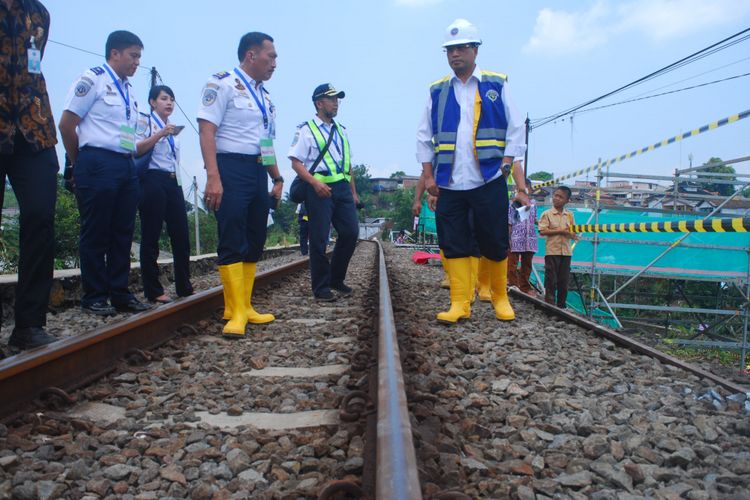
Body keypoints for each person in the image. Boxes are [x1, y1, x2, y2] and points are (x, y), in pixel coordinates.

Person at [417, 18, 529, 323]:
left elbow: (516, 128)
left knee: (493, 240)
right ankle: (459, 303)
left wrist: (507, 162)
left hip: (489, 178)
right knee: (453, 241)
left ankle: (500, 298)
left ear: (475, 50)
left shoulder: (496, 83)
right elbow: (423, 136)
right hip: (450, 182)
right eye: (450, 50)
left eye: (462, 48)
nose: (455, 54)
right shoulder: (437, 91)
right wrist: (428, 175)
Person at [59, 30, 151, 315]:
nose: (137, 63)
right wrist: (78, 162)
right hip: (96, 161)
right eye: (133, 56)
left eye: (139, 57)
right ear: (115, 53)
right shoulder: (93, 79)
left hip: (125, 163)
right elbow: (66, 124)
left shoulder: (127, 90)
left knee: (122, 232)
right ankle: (95, 296)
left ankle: (120, 293)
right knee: (96, 231)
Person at [197, 32, 283, 337]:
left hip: (257, 170)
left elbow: (266, 142)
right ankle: (232, 311)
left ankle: (244, 306)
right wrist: (213, 175)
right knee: (232, 236)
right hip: (229, 168)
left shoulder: (265, 97)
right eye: (270, 56)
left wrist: (277, 177)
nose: (275, 62)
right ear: (251, 55)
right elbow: (207, 130)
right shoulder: (221, 83)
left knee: (254, 238)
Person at [0, 0, 59, 351]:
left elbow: (30, 69)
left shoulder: (39, 14)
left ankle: (29, 325)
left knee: (40, 217)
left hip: (33, 130)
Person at [288, 83, 360, 302]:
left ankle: (335, 279)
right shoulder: (306, 129)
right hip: (318, 189)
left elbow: (348, 165)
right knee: (319, 240)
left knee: (350, 233)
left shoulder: (342, 130)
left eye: (337, 99)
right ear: (319, 103)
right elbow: (296, 162)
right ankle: (320, 287)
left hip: (342, 189)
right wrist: (314, 183)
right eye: (331, 99)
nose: (336, 103)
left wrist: (353, 192)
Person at [135, 85, 193, 304]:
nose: (169, 103)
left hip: (173, 181)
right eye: (164, 98)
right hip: (152, 180)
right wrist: (160, 133)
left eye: (172, 99)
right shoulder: (145, 122)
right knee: (151, 235)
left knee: (181, 235)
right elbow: (136, 148)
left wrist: (168, 132)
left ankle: (184, 285)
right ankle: (153, 289)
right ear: (152, 102)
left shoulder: (173, 130)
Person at [538, 186, 578, 308]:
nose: (556, 198)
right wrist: (561, 231)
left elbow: (573, 232)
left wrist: (572, 235)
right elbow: (542, 231)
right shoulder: (547, 214)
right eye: (555, 195)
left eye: (561, 197)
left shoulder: (570, 215)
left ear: (567, 200)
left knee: (564, 281)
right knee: (551, 279)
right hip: (552, 251)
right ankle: (550, 304)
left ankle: (561, 306)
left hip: (566, 252)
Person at [507, 177, 538, 295]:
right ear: (517, 189)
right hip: (515, 237)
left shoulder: (534, 205)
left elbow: (534, 220)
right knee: (512, 263)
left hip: (529, 238)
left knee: (527, 264)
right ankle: (513, 284)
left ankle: (525, 286)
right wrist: (508, 238)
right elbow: (509, 221)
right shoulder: (512, 205)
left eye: (527, 188)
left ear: (530, 189)